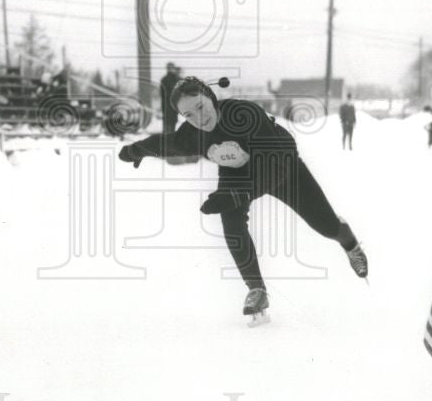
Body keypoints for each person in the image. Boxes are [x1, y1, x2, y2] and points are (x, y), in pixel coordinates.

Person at [118, 76, 368, 324]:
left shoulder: (244, 115)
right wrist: (136, 150)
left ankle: (349, 242)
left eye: (200, 107)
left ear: (211, 98)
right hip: (236, 172)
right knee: (232, 225)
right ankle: (256, 289)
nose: (198, 118)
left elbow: (275, 165)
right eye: (188, 115)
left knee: (325, 226)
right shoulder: (194, 133)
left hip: (281, 164)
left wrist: (241, 194)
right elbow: (170, 144)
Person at [159, 62, 182, 141]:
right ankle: (168, 142)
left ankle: (167, 142)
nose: (172, 69)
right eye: (171, 68)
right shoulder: (171, 79)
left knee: (169, 124)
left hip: (168, 106)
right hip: (170, 106)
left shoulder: (166, 79)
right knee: (170, 125)